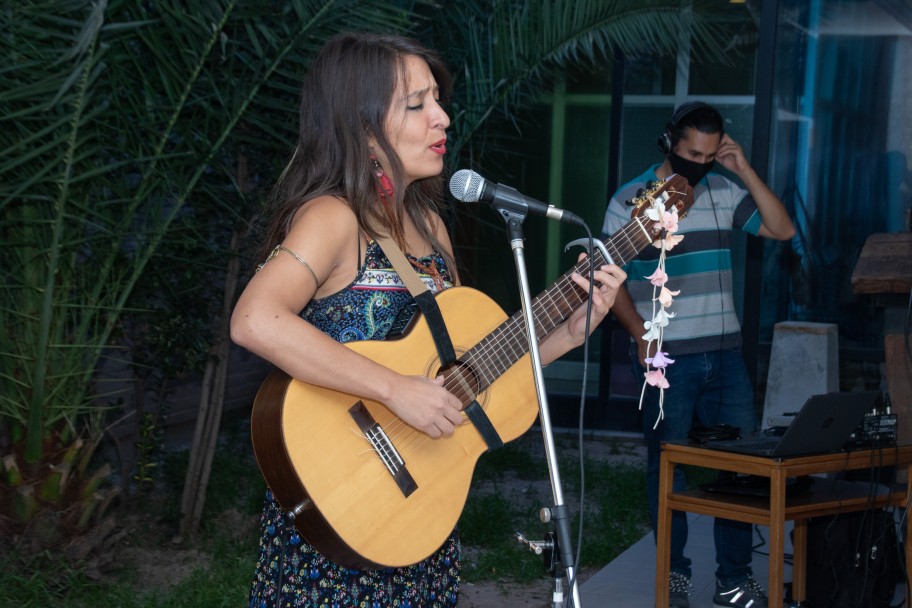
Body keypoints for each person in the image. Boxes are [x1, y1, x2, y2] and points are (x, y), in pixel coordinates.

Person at [230, 32, 627, 607]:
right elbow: (255, 320)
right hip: (340, 506)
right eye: (416, 104)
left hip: (420, 516)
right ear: (364, 129)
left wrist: (567, 334)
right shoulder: (331, 217)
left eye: (437, 100)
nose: (442, 118)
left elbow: (462, 375)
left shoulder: (432, 230)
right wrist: (394, 389)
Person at [601, 101, 794, 608]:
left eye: (709, 155)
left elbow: (782, 229)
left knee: (741, 468)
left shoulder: (723, 190)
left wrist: (743, 168)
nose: (699, 163)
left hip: (726, 356)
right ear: (669, 142)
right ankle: (675, 577)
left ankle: (733, 581)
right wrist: (641, 334)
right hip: (668, 360)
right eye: (691, 153)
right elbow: (607, 273)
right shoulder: (631, 199)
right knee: (668, 468)